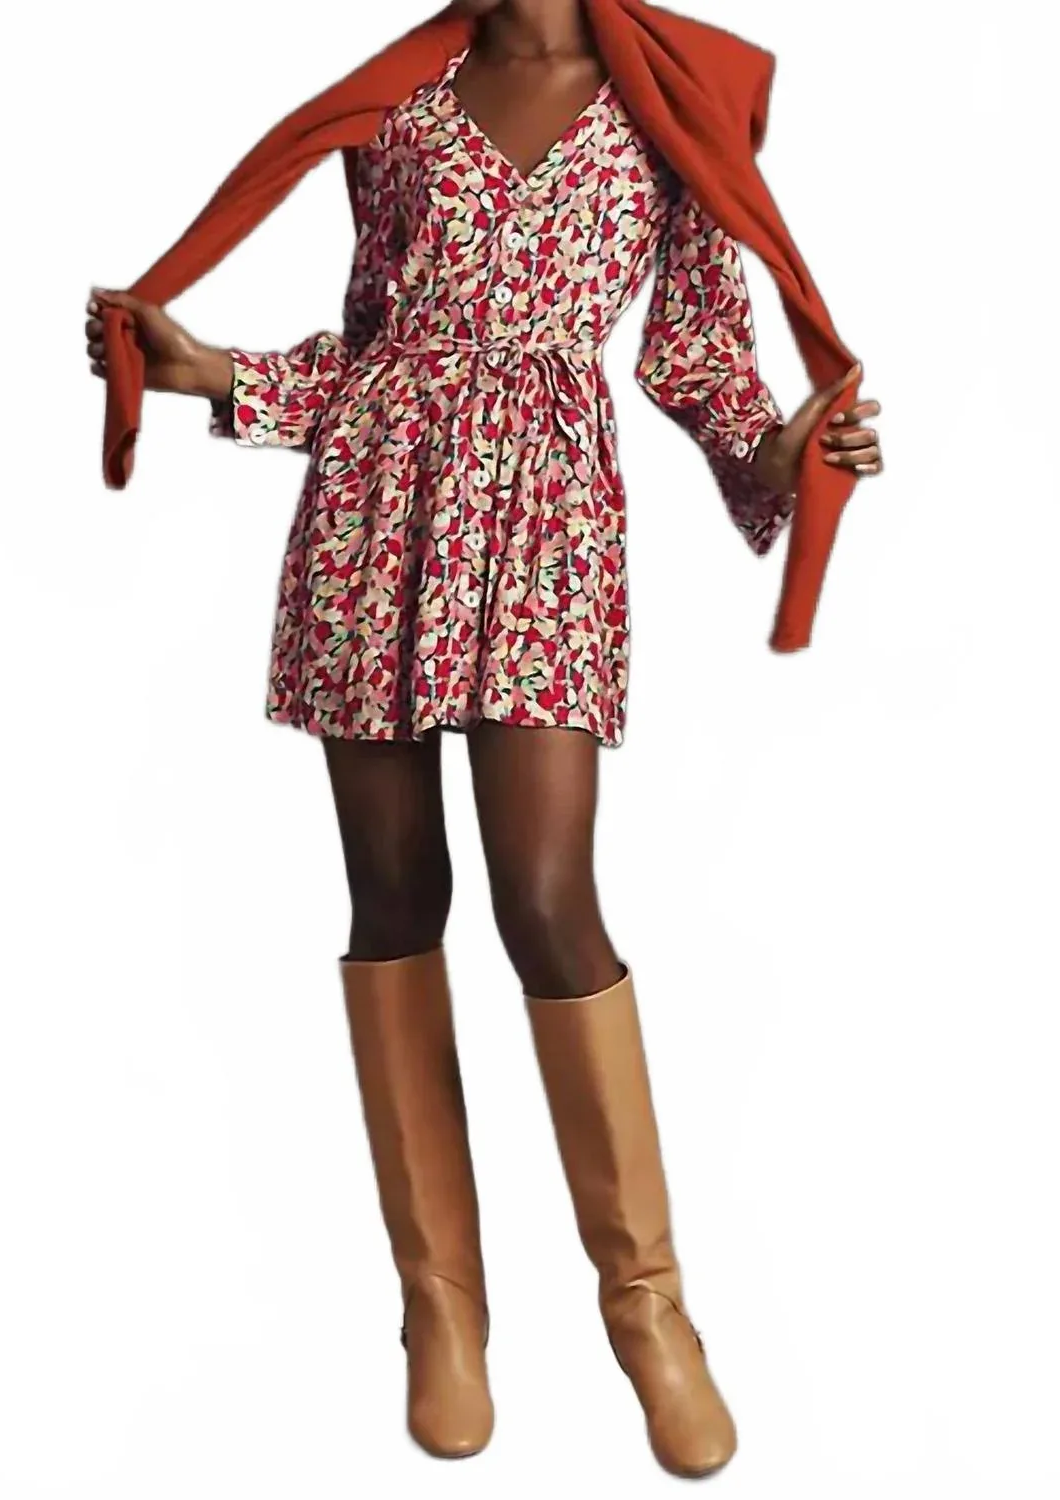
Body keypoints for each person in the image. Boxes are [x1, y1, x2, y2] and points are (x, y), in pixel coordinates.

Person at [84, 0, 883, 1477]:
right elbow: (378, 349)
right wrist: (215, 374)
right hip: (374, 509)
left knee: (546, 897)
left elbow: (700, 359)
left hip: (549, 521)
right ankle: (440, 1309)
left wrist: (782, 449)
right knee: (395, 895)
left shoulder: (667, 102)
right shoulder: (404, 92)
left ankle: (648, 1308)